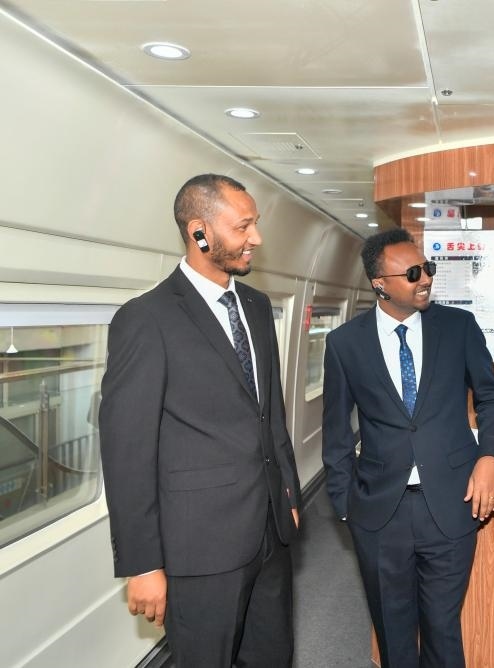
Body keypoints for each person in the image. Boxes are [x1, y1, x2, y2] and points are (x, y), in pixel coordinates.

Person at [99, 174, 301, 667]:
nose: (256, 238)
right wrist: (143, 564)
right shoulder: (146, 318)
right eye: (243, 227)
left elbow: (270, 413)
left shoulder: (256, 306)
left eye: (255, 224)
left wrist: (290, 495)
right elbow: (127, 450)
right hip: (200, 546)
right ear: (200, 233)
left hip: (270, 531)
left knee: (272, 658)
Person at [322, 228, 494, 668]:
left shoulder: (458, 327)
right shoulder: (345, 343)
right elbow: (335, 432)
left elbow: (490, 399)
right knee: (393, 633)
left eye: (427, 268)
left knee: (443, 629)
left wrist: (490, 457)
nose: (425, 279)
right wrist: (346, 505)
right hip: (379, 512)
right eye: (412, 273)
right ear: (380, 284)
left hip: (450, 503)